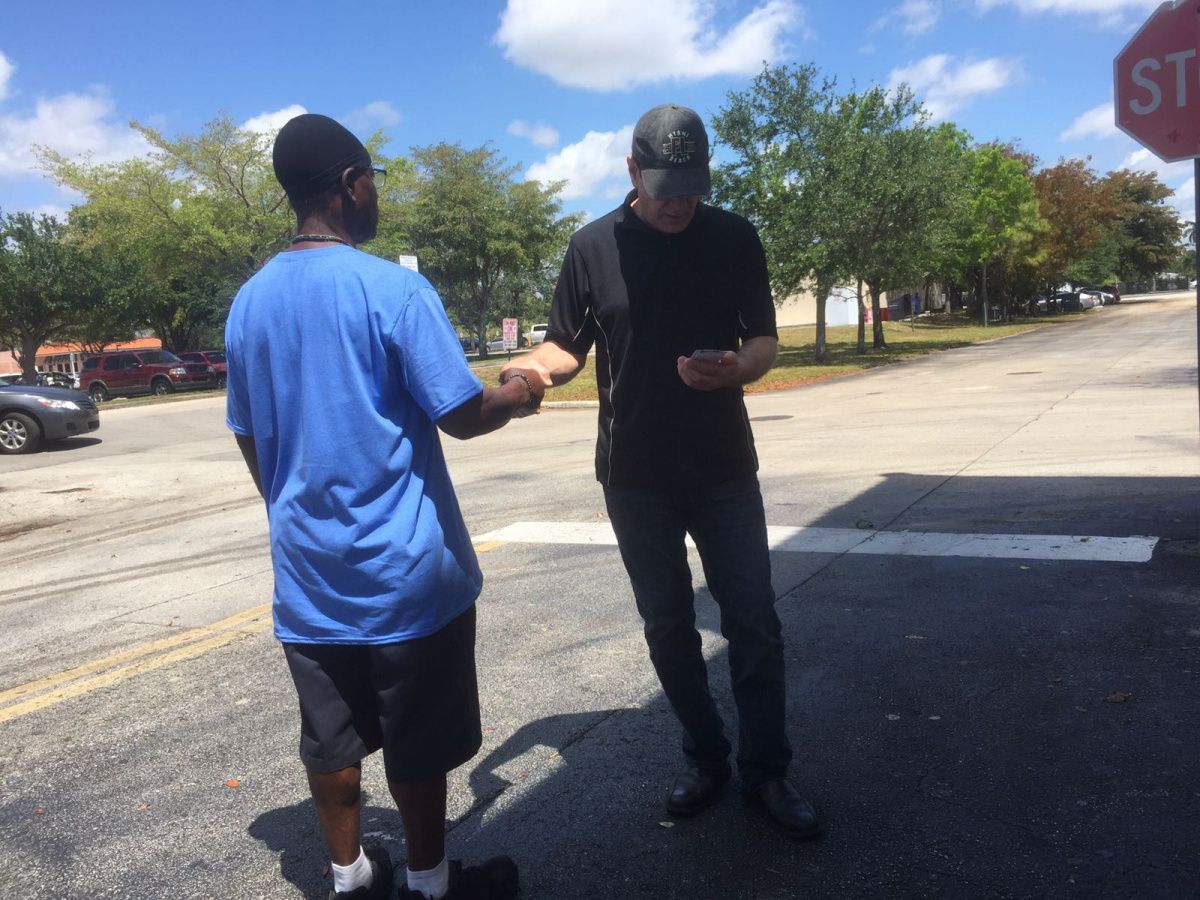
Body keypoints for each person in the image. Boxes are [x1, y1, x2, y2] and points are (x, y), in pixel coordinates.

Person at [226, 113, 539, 900]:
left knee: (330, 740)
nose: (376, 194)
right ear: (349, 185)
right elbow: (461, 413)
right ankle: (431, 885)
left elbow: (249, 434)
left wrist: (294, 510)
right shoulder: (393, 290)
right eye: (374, 180)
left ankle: (351, 879)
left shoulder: (249, 303)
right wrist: (520, 389)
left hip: (310, 577)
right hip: (404, 574)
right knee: (417, 743)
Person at [502, 104, 821, 839]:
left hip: (723, 466)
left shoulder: (734, 236)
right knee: (669, 626)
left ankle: (767, 772)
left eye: (692, 186)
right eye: (665, 187)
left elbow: (764, 340)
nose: (680, 203)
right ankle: (706, 757)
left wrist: (738, 368)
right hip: (635, 474)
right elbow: (565, 346)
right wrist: (528, 373)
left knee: (754, 621)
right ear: (632, 171)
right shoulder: (592, 246)